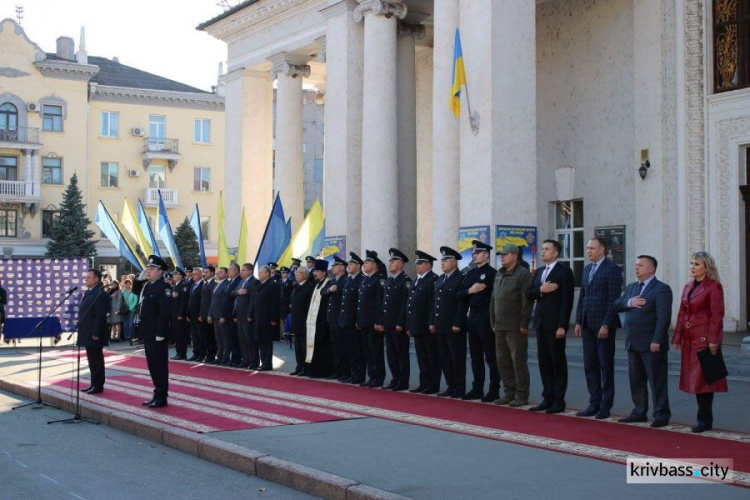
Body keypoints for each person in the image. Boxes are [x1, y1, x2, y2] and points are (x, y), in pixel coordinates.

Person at [614, 255, 673, 428]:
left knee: (657, 381)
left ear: (651, 269)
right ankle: (639, 411)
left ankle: (661, 414)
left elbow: (663, 318)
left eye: (640, 265)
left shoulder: (661, 289)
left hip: (651, 344)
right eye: (636, 264)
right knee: (636, 380)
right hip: (633, 342)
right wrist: (629, 302)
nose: (636, 268)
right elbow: (616, 304)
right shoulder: (632, 287)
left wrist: (657, 340)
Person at [672, 251, 727, 433]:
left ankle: (704, 419)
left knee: (704, 380)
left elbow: (717, 315)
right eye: (691, 263)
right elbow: (682, 312)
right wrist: (677, 336)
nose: (692, 267)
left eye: (696, 264)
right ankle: (703, 418)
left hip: (703, 338)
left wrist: (713, 340)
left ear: (706, 267)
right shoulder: (688, 286)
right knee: (694, 380)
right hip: (689, 338)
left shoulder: (713, 287)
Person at [574, 236, 624, 419]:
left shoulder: (612, 269)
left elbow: (614, 300)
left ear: (602, 250)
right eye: (587, 248)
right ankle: (593, 402)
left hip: (603, 325)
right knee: (590, 365)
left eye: (592, 248)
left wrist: (606, 324)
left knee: (605, 365)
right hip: (587, 324)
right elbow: (583, 297)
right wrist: (578, 321)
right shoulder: (587, 269)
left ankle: (605, 404)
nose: (588, 251)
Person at [526, 240, 575, 413]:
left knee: (557, 362)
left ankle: (558, 400)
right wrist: (541, 289)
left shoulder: (564, 272)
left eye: (546, 249)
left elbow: (566, 301)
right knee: (544, 362)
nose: (543, 252)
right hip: (540, 323)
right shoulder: (539, 272)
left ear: (555, 253)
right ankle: (547, 397)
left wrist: (562, 326)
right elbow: (529, 294)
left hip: (555, 325)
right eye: (542, 249)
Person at [490, 243, 533, 407]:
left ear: (514, 256)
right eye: (501, 254)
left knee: (518, 361)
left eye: (505, 254)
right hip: (499, 325)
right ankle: (509, 392)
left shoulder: (523, 274)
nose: (502, 257)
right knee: (503, 361)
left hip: (514, 325)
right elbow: (493, 300)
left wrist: (524, 323)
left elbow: (526, 301)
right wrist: (492, 321)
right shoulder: (499, 274)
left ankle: (521, 394)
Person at [456, 240, 500, 402]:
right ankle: (477, 388)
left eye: (478, 252)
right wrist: (470, 290)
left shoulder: (492, 273)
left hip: (486, 316)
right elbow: (458, 294)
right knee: (475, 356)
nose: (474, 255)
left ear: (486, 255)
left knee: (490, 355)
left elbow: (496, 297)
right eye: (473, 252)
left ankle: (494, 389)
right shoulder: (471, 274)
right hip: (472, 316)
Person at [432, 246, 468, 398]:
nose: (442, 263)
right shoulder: (441, 278)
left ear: (454, 262)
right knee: (445, 357)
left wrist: (458, 323)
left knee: (456, 357)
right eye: (442, 260)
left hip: (453, 325)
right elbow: (435, 302)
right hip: (440, 324)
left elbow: (462, 303)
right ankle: (451, 385)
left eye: (446, 260)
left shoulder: (461, 278)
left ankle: (459, 387)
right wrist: (432, 321)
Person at [137, 255, 172, 408]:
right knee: (152, 365)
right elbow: (135, 291)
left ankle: (162, 396)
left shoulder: (164, 288)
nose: (148, 271)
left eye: (152, 269)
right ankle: (156, 393)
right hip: (148, 332)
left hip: (157, 334)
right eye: (148, 268)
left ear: (160, 271)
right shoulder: (149, 286)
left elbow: (165, 313)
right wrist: (139, 278)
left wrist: (160, 333)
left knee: (159, 365)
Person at [407, 250, 439, 394]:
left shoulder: (433, 280)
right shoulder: (417, 280)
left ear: (428, 265)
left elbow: (433, 304)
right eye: (417, 263)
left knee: (432, 356)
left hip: (427, 325)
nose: (417, 266)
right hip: (417, 325)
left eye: (420, 263)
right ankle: (424, 382)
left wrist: (431, 322)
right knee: (422, 357)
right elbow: (410, 305)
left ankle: (433, 384)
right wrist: (409, 324)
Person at [381, 248, 413, 392]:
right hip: (388, 323)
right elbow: (384, 303)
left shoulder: (405, 281)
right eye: (390, 261)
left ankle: (403, 380)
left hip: (398, 325)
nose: (390, 263)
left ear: (401, 264)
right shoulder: (389, 281)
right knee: (391, 353)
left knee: (401, 354)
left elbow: (405, 304)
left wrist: (401, 322)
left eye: (393, 261)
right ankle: (395, 378)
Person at [77, 269, 110, 394]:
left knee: (96, 359)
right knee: (91, 359)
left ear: (96, 279)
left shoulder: (100, 294)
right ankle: (93, 383)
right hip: (86, 331)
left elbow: (100, 316)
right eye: (86, 277)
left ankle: (98, 384)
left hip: (94, 332)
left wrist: (96, 333)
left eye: (89, 277)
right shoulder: (89, 292)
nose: (86, 279)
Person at [357, 250, 386, 388]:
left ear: (374, 265)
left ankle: (378, 377)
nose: (364, 264)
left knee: (376, 351)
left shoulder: (379, 279)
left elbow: (380, 302)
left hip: (373, 322)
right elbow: (360, 303)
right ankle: (372, 376)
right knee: (367, 351)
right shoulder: (366, 279)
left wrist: (379, 321)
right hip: (364, 322)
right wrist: (359, 320)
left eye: (367, 262)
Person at [305, 259, 334, 378]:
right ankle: (314, 370)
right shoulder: (317, 285)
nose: (314, 273)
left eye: (317, 271)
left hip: (323, 321)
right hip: (314, 321)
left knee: (323, 346)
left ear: (324, 272)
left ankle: (324, 371)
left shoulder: (329, 283)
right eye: (314, 271)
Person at [339, 252, 365, 383]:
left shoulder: (361, 280)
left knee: (357, 350)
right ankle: (352, 373)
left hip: (354, 321)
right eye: (348, 264)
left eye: (351, 264)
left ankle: (359, 375)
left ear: (358, 266)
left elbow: (359, 303)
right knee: (348, 349)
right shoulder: (349, 279)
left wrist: (357, 320)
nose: (348, 266)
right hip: (345, 320)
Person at [321, 255, 348, 380]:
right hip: (331, 318)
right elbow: (322, 292)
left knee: (343, 347)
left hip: (340, 318)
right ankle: (337, 370)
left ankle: (345, 371)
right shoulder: (333, 280)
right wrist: (329, 290)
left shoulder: (345, 280)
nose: (333, 267)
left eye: (335, 265)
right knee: (335, 346)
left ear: (342, 267)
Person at [249, 265, 280, 371]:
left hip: (267, 318)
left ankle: (267, 363)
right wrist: (250, 315)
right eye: (259, 272)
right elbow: (253, 301)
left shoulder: (272, 285)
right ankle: (263, 362)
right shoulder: (257, 284)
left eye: (262, 272)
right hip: (258, 317)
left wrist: (274, 319)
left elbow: (275, 304)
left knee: (266, 341)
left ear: (268, 273)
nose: (259, 274)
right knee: (260, 340)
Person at [290, 266, 316, 375]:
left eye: (299, 273)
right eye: (296, 273)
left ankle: (306, 368)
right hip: (296, 320)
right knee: (298, 347)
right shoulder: (297, 286)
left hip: (305, 321)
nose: (296, 275)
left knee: (304, 346)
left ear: (305, 275)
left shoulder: (310, 287)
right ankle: (299, 366)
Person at [233, 263, 258, 369]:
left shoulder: (254, 282)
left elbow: (253, 300)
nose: (241, 272)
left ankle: (254, 362)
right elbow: (232, 292)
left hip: (247, 316)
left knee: (250, 340)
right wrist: (238, 292)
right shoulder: (242, 281)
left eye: (243, 270)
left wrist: (249, 314)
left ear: (250, 271)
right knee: (242, 340)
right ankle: (245, 360)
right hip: (239, 315)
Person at [208, 267, 230, 364]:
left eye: (221, 272)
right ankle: (219, 356)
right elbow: (212, 301)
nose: (218, 274)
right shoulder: (216, 285)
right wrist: (209, 314)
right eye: (218, 272)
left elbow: (225, 302)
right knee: (218, 338)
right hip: (214, 315)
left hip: (221, 316)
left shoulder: (227, 284)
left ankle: (226, 358)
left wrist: (223, 315)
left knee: (225, 338)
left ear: (226, 274)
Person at [223, 263, 243, 366]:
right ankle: (233, 358)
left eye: (230, 270)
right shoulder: (230, 282)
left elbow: (234, 297)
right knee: (231, 338)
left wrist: (234, 315)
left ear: (235, 271)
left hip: (234, 314)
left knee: (236, 338)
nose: (229, 271)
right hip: (228, 315)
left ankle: (236, 359)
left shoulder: (239, 281)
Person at [170, 268, 190, 360]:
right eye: (173, 274)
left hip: (179, 315)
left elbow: (184, 302)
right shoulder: (175, 286)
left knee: (181, 334)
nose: (173, 275)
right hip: (174, 314)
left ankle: (182, 353)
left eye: (175, 274)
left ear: (180, 276)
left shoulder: (183, 286)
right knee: (176, 334)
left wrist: (181, 314)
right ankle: (178, 352)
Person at [198, 266, 217, 362]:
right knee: (205, 337)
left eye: (206, 272)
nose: (204, 274)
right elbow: (203, 301)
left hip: (210, 315)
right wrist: (201, 314)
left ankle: (211, 355)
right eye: (204, 272)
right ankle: (207, 354)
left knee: (211, 337)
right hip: (203, 315)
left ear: (213, 273)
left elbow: (212, 302)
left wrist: (210, 314)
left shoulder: (214, 284)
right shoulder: (205, 284)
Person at [186, 267, 204, 361]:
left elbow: (202, 301)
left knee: (200, 336)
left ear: (201, 275)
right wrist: (188, 314)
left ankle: (202, 354)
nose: (193, 275)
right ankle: (195, 353)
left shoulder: (203, 284)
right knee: (195, 336)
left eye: (195, 274)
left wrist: (201, 314)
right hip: (192, 315)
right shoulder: (193, 285)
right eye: (192, 274)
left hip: (199, 315)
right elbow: (190, 300)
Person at [121, 279, 139, 345]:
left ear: (130, 284)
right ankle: (126, 336)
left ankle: (130, 337)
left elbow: (135, 301)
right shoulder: (123, 292)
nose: (127, 285)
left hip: (131, 310)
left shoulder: (133, 291)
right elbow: (121, 301)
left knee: (130, 324)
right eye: (126, 284)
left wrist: (130, 308)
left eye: (129, 284)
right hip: (124, 310)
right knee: (125, 324)